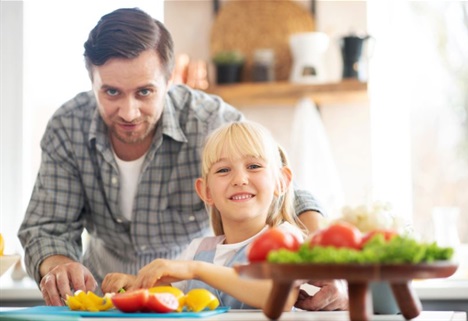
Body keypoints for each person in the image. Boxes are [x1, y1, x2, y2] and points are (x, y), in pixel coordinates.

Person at [17, 7, 347, 311]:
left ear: (170, 79)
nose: (129, 112)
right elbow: (46, 228)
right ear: (93, 81)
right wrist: (59, 267)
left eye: (144, 92)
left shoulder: (210, 120)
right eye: (111, 92)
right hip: (107, 300)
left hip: (187, 296)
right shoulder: (67, 127)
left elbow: (287, 190)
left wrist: (323, 263)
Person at [102, 121, 306, 310]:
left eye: (254, 166)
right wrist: (135, 283)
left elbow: (281, 296)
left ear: (282, 181)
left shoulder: (286, 238)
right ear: (206, 191)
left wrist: (197, 270)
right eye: (223, 170)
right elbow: (169, 296)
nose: (240, 179)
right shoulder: (198, 250)